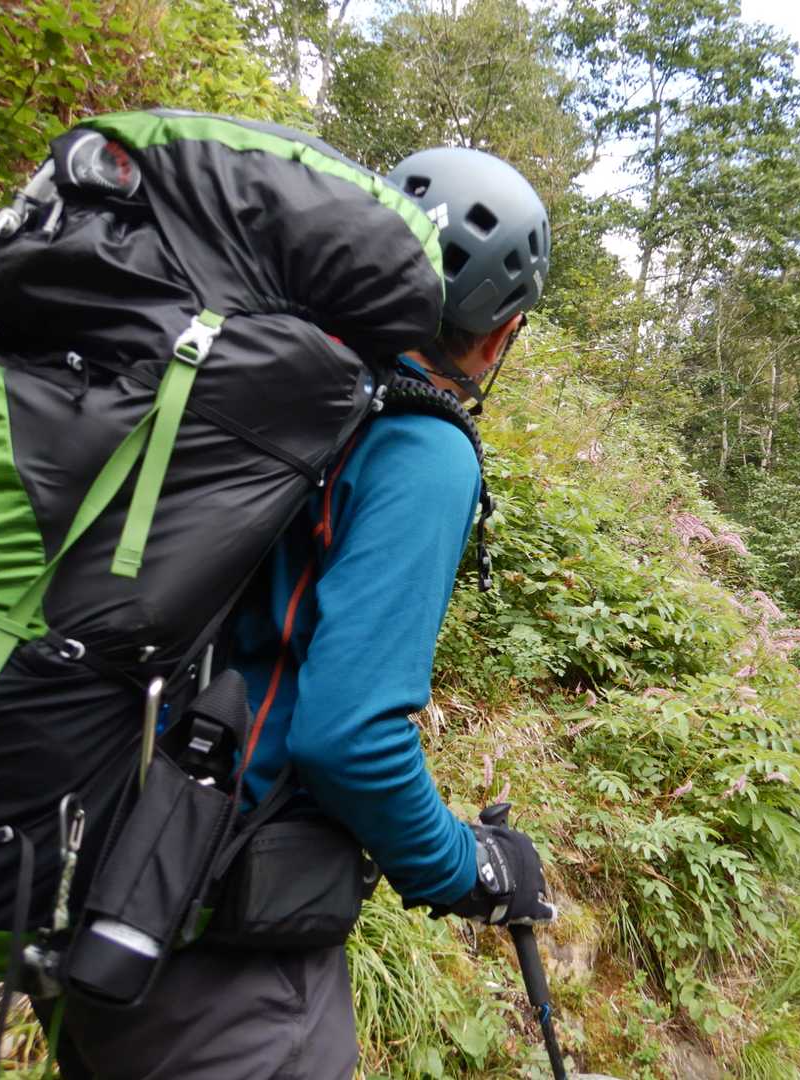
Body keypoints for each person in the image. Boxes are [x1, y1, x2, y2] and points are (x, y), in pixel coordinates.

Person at [43, 147, 556, 1080]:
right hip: (226, 955)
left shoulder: (255, 382)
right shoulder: (419, 447)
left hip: (102, 872)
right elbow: (350, 739)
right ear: (499, 335)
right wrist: (471, 870)